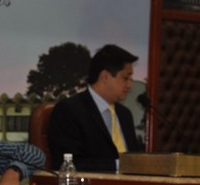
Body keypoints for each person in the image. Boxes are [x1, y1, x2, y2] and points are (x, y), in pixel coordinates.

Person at [47, 44, 142, 172]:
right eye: (125, 78)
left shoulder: (124, 115)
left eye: (131, 79)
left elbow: (135, 159)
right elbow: (70, 164)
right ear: (105, 76)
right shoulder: (69, 111)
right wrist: (120, 166)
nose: (130, 85)